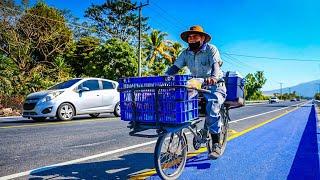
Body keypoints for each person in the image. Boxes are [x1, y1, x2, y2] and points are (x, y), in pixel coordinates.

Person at [165, 25, 227, 159]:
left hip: (215, 85)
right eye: (189, 37)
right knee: (178, 101)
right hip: (197, 84)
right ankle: (187, 130)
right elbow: (175, 67)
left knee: (212, 106)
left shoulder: (211, 49)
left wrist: (214, 78)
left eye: (195, 36)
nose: (191, 39)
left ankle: (216, 144)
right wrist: (164, 76)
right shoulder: (185, 53)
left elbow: (215, 66)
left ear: (203, 38)